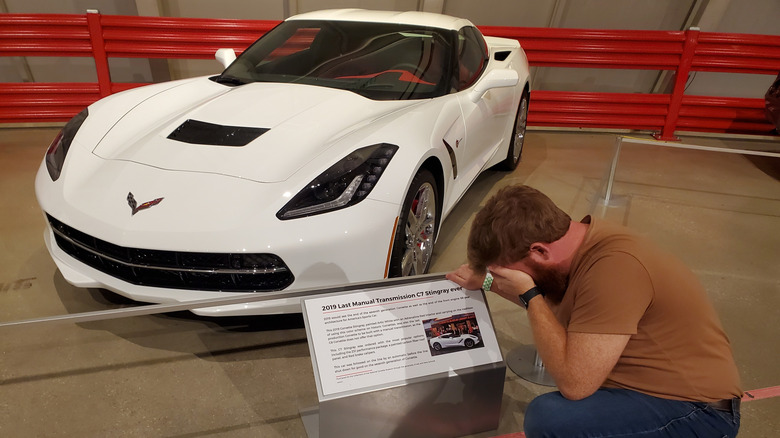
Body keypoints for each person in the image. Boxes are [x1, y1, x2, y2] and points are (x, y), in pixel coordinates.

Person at [446, 185, 742, 437]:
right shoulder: (581, 245)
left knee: (552, 418)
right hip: (644, 388)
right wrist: (488, 281)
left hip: (696, 410)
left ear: (539, 251)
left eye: (509, 273)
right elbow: (553, 304)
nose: (505, 279)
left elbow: (576, 383)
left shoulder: (615, 269)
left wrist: (529, 292)